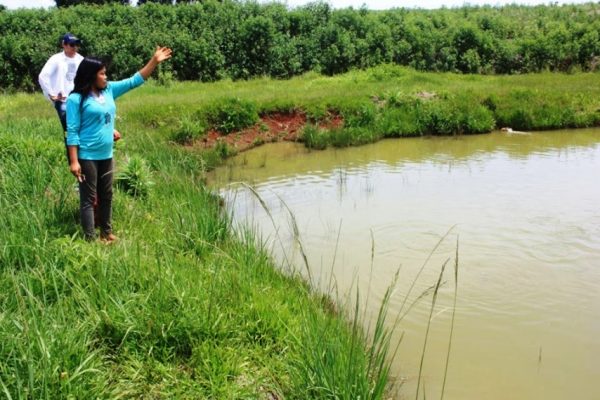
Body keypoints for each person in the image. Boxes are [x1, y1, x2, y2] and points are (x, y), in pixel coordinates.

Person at [66, 46, 172, 242]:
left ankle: (106, 234)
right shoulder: (76, 99)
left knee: (106, 195)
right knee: (88, 200)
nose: (106, 77)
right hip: (87, 156)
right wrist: (74, 161)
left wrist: (154, 61)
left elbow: (134, 81)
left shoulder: (108, 91)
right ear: (91, 75)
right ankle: (90, 239)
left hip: (107, 154)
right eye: (102, 73)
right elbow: (72, 132)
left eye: (106, 73)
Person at [39, 33, 84, 136]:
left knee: (82, 130)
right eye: (72, 45)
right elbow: (43, 76)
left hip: (79, 99)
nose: (75, 47)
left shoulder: (80, 59)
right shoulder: (56, 59)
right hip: (63, 101)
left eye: (77, 45)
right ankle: (71, 152)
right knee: (69, 132)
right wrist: (51, 94)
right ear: (64, 44)